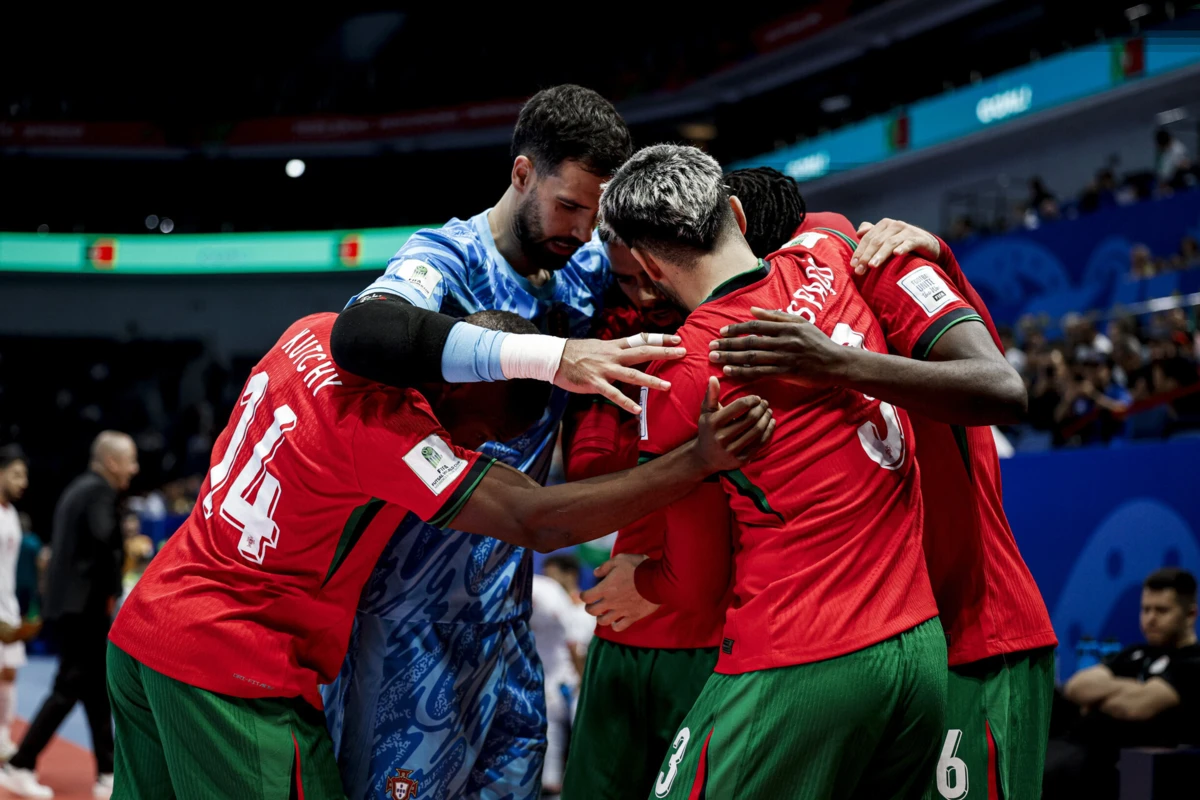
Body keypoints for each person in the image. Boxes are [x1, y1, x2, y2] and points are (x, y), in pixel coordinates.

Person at [102, 309, 772, 800]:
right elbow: (532, 520)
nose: (475, 446)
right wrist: (694, 462)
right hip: (230, 668)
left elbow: (499, 476)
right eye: (481, 432)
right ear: (461, 384)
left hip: (146, 633)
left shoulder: (309, 332)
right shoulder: (386, 434)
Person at [591, 144, 945, 800]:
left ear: (643, 262)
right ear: (733, 211)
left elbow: (696, 586)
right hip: (918, 650)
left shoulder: (680, 372)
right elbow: (832, 225)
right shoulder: (834, 249)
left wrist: (642, 579)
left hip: (799, 659)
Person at [323, 83, 640, 800]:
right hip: (406, 618)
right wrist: (550, 358)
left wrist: (838, 237)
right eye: (568, 206)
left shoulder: (584, 267)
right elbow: (364, 335)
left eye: (597, 212)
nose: (585, 230)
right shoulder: (445, 258)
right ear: (522, 173)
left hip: (506, 618)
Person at [697, 181, 1056, 798]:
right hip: (887, 647)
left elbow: (1003, 388)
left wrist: (839, 360)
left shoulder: (878, 262)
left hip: (975, 637)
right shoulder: (771, 341)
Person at [561, 168, 792, 800]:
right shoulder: (608, 334)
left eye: (648, 275)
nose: (641, 293)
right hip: (625, 628)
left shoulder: (752, 332)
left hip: (712, 632)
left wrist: (656, 585)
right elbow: (587, 474)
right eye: (626, 278)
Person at [0, 432, 139, 799]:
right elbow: (102, 543)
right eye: (130, 461)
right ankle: (20, 763)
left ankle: (107, 772)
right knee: (68, 687)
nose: (135, 469)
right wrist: (117, 586)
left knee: (94, 691)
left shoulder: (79, 488)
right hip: (86, 610)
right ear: (112, 462)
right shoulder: (98, 493)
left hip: (72, 607)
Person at [1045, 568, 1200, 799]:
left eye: (1162, 610)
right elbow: (1077, 687)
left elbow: (1136, 706)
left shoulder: (1193, 663)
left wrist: (1099, 698)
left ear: (1190, 615)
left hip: (1123, 766)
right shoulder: (1134, 654)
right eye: (1145, 609)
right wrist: (1134, 689)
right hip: (1074, 748)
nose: (1150, 618)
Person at [0, 446, 33, 762]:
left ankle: (3, 738)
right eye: (16, 474)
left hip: (8, 606)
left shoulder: (11, 514)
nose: (23, 481)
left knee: (9, 672)